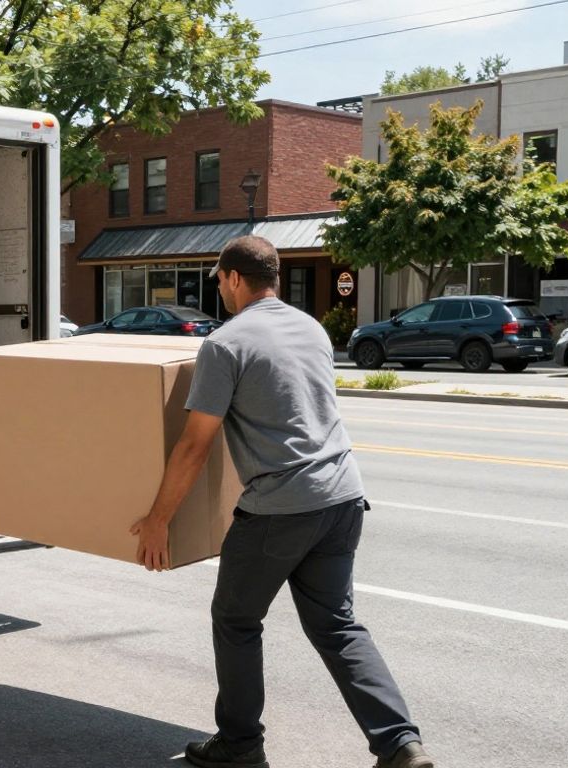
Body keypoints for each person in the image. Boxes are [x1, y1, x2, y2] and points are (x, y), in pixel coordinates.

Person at [129, 236, 435, 768]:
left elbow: (195, 443)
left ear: (232, 278)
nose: (218, 290)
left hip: (281, 506)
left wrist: (158, 520)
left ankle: (240, 746)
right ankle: (400, 744)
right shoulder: (311, 328)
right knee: (337, 626)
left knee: (236, 620)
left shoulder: (225, 344)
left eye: (218, 280)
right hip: (342, 496)